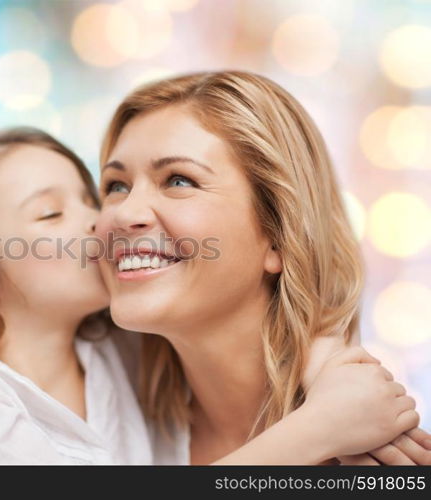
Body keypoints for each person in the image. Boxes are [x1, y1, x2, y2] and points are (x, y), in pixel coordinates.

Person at [95, 70, 430, 464]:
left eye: (179, 180)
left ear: (278, 235)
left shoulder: (377, 458)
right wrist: (316, 430)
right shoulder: (105, 424)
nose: (124, 213)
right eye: (116, 186)